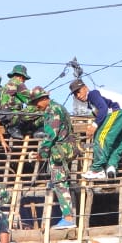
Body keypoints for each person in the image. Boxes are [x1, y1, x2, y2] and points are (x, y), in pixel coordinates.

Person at [71, 79, 122, 181]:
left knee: (100, 136)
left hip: (120, 109)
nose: (78, 96)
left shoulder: (92, 94)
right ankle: (111, 166)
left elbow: (103, 109)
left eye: (79, 91)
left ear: (85, 88)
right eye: (75, 94)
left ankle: (97, 169)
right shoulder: (92, 104)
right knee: (119, 141)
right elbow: (101, 115)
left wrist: (94, 126)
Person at [30, 86, 77, 229]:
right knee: (58, 181)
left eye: (37, 102)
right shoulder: (58, 108)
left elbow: (51, 135)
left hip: (60, 150)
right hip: (66, 148)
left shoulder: (52, 110)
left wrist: (41, 153)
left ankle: (68, 218)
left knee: (59, 183)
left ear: (44, 99)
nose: (36, 106)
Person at [0, 64, 39, 139]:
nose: (24, 81)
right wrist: (42, 97)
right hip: (13, 117)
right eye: (24, 79)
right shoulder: (18, 83)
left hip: (4, 118)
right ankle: (37, 130)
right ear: (21, 77)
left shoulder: (6, 86)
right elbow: (30, 99)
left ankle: (13, 127)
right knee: (38, 108)